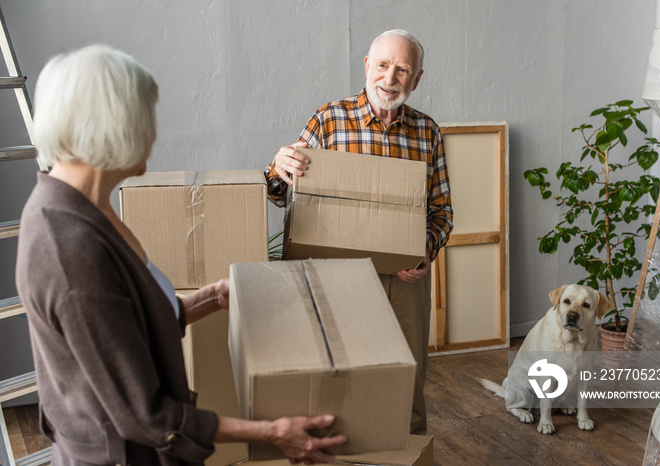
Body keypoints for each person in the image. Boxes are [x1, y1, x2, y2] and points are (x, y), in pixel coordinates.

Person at [15, 44, 346, 466]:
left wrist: (208, 298)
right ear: (115, 126)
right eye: (147, 118)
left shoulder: (87, 206)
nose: (154, 134)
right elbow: (147, 418)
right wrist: (274, 432)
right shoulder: (70, 248)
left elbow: (122, 328)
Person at [264, 29, 453, 435]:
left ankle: (409, 455)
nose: (390, 78)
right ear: (367, 67)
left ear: (416, 78)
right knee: (338, 373)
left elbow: (442, 212)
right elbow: (280, 194)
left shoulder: (428, 132)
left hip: (406, 277)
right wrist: (278, 168)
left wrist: (425, 250)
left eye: (402, 70)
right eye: (383, 65)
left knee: (407, 376)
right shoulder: (329, 120)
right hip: (338, 274)